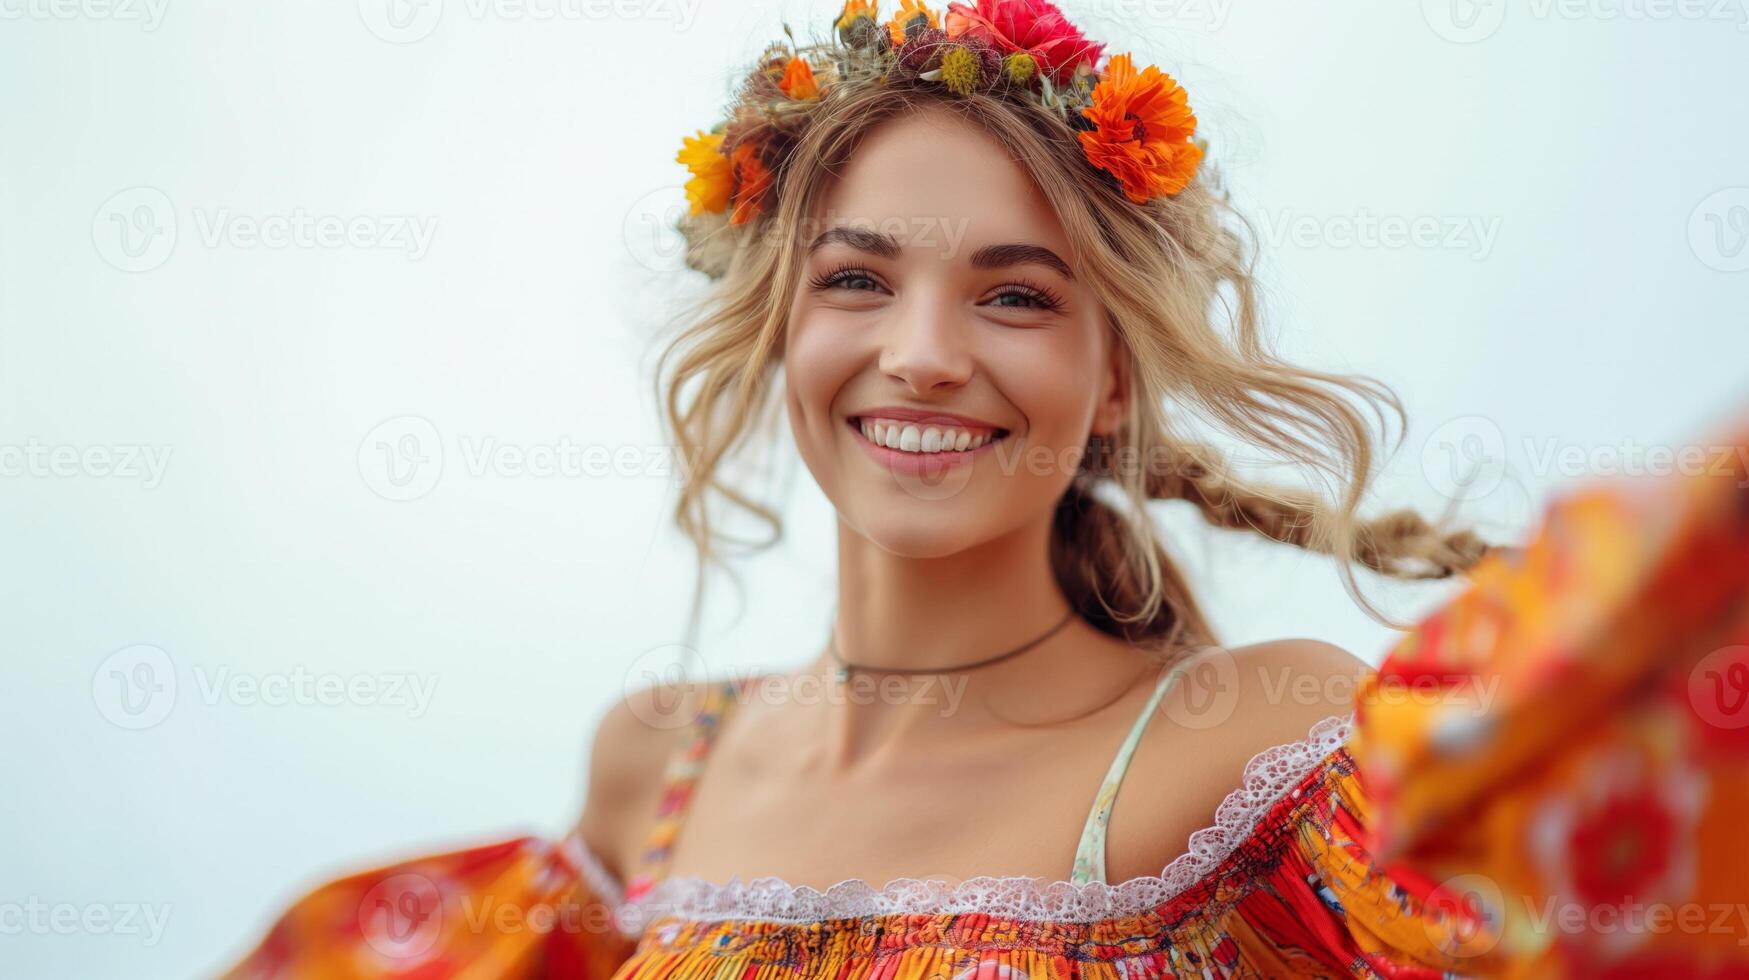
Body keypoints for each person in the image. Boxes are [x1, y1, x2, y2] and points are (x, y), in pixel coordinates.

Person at [220, 1, 1749, 976]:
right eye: (856, 280)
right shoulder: (655, 768)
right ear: (775, 328)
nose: (925, 355)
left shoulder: (1251, 745)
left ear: (1114, 372)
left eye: (1015, 296)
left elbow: (1607, 708)